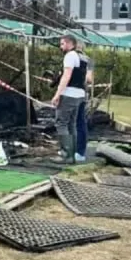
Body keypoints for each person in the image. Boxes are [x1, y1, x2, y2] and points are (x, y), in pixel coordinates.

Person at [51, 35, 87, 164]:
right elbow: (86, 79)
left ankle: (66, 155)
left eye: (62, 44)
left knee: (61, 123)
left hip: (69, 94)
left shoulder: (69, 56)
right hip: (79, 95)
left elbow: (66, 76)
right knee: (72, 124)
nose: (61, 47)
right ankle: (72, 155)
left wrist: (57, 94)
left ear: (68, 44)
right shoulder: (83, 57)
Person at [75, 44, 95, 159]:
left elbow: (88, 79)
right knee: (80, 121)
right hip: (83, 93)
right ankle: (79, 151)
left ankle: (74, 150)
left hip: (74, 93)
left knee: (75, 122)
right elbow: (89, 79)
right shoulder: (90, 60)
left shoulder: (71, 57)